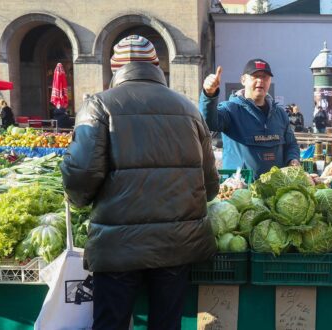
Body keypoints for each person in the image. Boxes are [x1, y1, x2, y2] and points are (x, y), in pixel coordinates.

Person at [60, 35, 219, 329]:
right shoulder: (189, 109)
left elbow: (80, 176)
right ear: (157, 66)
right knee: (166, 324)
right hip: (178, 245)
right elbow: (210, 186)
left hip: (118, 247)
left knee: (111, 323)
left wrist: (80, 201)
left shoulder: (98, 106)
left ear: (115, 68)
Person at [200, 58, 300, 177]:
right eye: (255, 76)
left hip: (276, 190)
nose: (260, 80)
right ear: (243, 80)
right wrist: (209, 95)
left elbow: (291, 144)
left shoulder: (280, 114)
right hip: (241, 190)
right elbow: (208, 123)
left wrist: (292, 159)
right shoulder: (231, 109)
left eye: (265, 77)